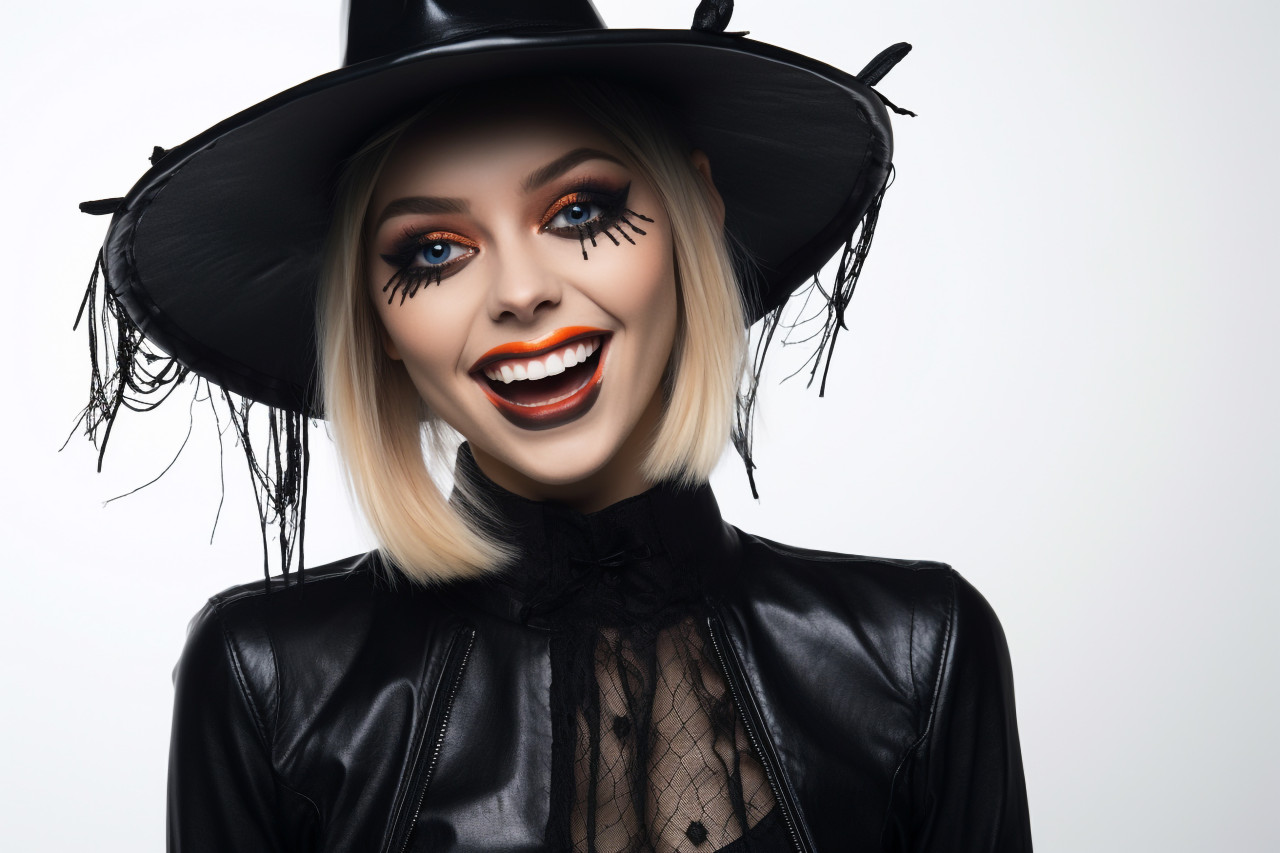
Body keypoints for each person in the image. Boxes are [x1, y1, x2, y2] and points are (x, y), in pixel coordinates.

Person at [76, 1, 1031, 850]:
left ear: (696, 208)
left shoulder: (917, 657)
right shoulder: (268, 680)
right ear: (376, 318)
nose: (522, 292)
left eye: (579, 210)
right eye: (434, 251)